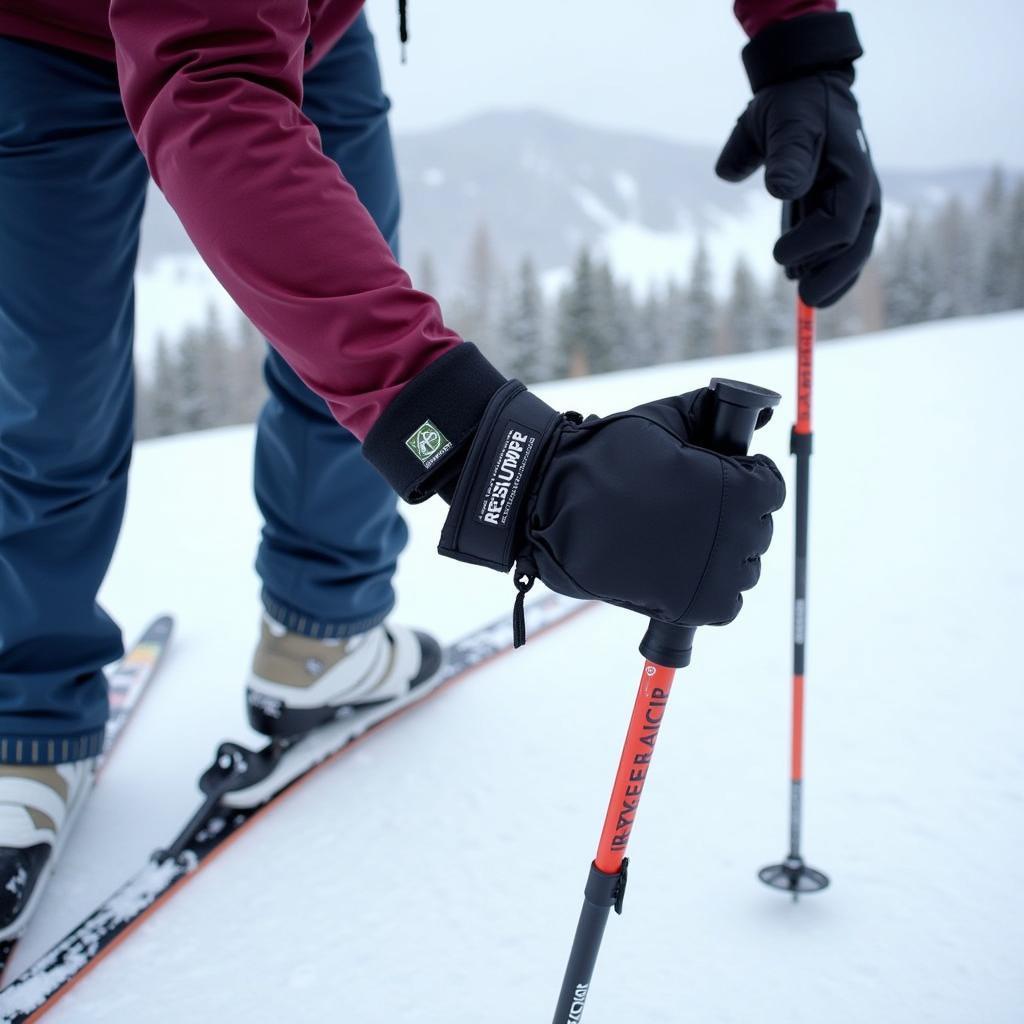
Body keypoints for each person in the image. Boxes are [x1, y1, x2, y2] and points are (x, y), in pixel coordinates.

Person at [0, 0, 879, 941]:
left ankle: (323, 634)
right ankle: (28, 724)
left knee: (334, 318)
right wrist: (490, 457)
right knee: (47, 387)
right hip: (42, 38)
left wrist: (798, 42)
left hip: (306, 26)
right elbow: (209, 82)